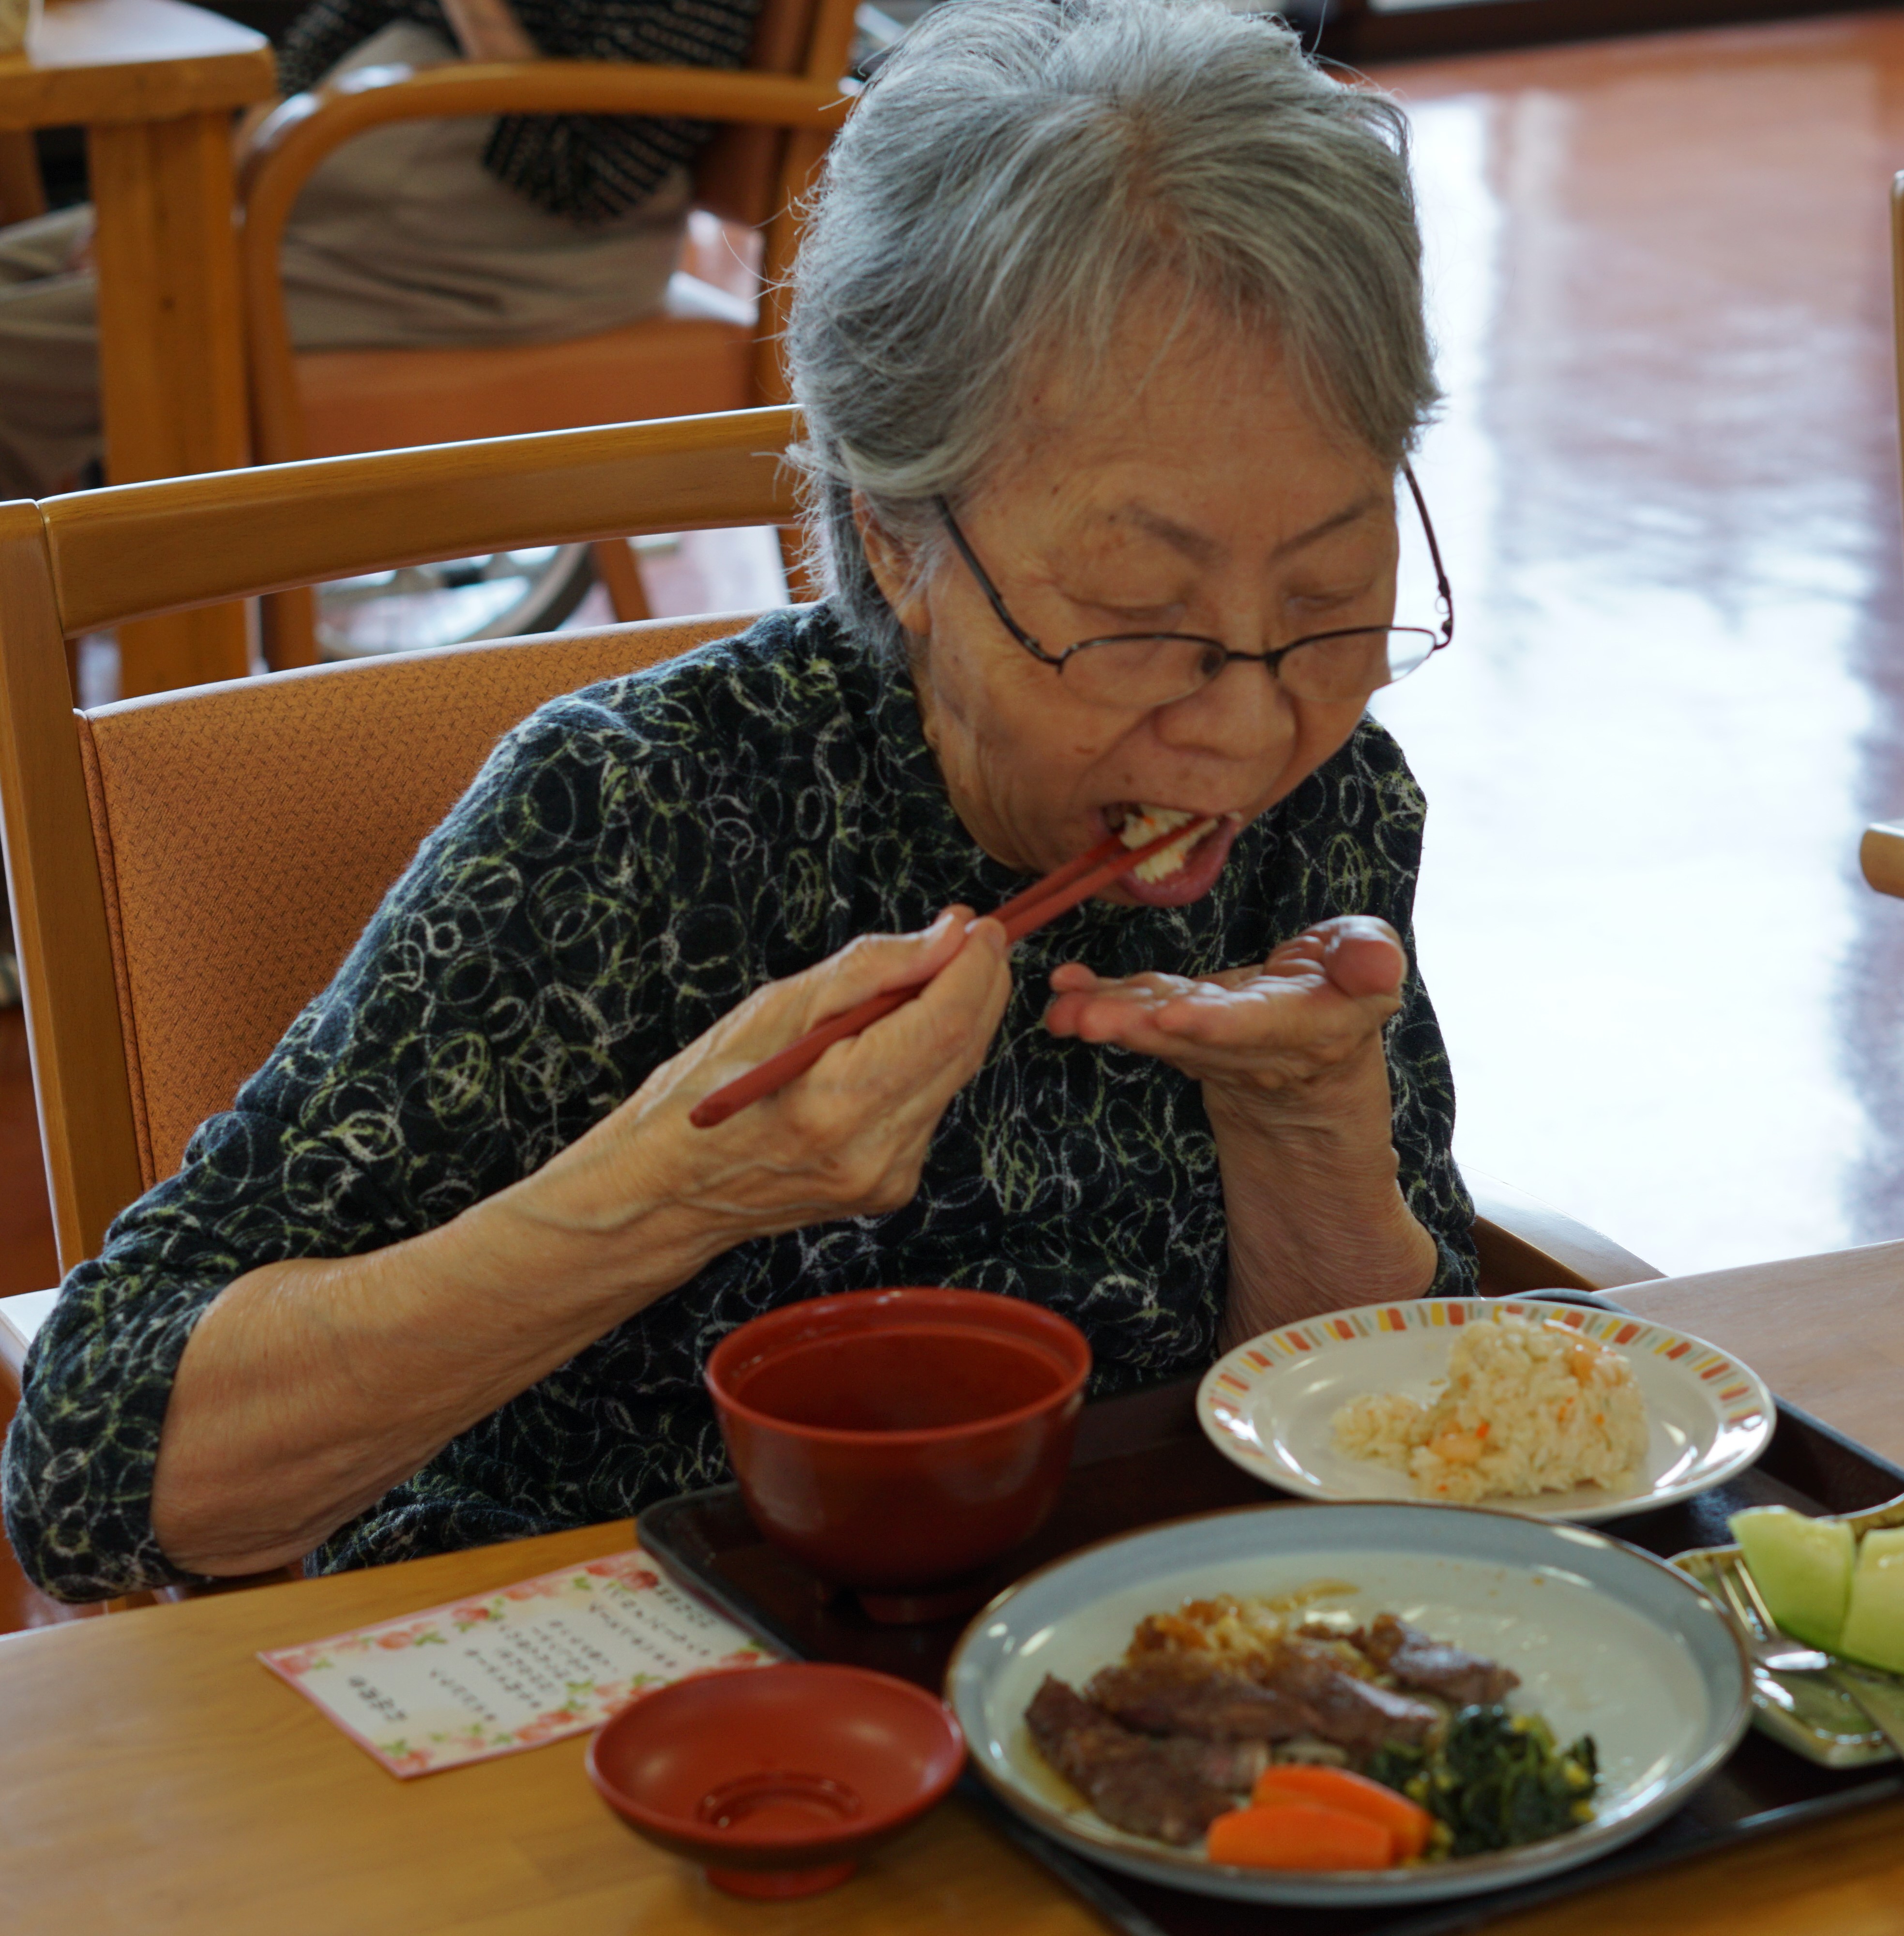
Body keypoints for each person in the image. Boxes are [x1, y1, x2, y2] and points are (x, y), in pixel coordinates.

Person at [2, 0, 1478, 1603]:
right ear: (897, 540)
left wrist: (1306, 1134)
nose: (1248, 726)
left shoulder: (1327, 795)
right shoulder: (637, 817)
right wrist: (669, 1190)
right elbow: (93, 1477)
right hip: (592, 1695)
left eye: (1329, 594)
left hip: (1128, 1668)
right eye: (1136, 617)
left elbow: (1392, 1448)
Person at [0, 0, 763, 499]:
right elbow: (323, 41)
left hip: (510, 252)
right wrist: (217, 192)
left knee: (13, 350)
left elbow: (586, 176)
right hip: (337, 193)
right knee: (51, 257)